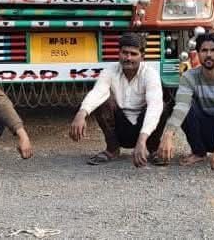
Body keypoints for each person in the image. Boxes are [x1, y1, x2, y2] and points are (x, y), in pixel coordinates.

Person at [69, 32, 165, 167]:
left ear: (142, 56)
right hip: (121, 128)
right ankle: (112, 149)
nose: (128, 58)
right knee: (102, 101)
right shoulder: (109, 71)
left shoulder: (150, 74)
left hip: (144, 131)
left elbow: (154, 106)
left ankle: (153, 149)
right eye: (124, 53)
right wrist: (81, 114)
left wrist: (142, 139)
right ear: (119, 53)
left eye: (133, 54)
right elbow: (98, 92)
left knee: (162, 106)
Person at [157, 31, 214, 169]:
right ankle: (198, 152)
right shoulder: (189, 76)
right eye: (204, 50)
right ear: (198, 54)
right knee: (185, 105)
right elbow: (181, 107)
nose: (208, 54)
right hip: (204, 129)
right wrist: (168, 135)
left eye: (213, 50)